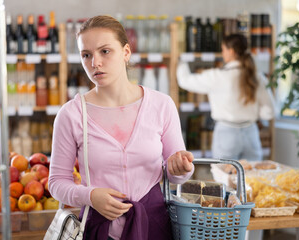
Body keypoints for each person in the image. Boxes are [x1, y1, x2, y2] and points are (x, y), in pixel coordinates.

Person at [48, 15, 194, 240]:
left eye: (105, 51)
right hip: (99, 229)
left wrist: (182, 169)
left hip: (153, 225)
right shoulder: (72, 114)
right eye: (86, 55)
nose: (95, 63)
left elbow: (177, 174)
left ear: (126, 52)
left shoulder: (161, 105)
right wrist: (90, 196)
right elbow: (56, 183)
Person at [177, 33, 275, 161]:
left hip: (226, 133)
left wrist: (181, 61)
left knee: (224, 176)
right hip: (250, 132)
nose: (222, 54)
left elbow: (185, 81)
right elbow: (270, 112)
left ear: (231, 51)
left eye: (223, 50)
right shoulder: (257, 77)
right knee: (253, 177)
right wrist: (255, 114)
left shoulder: (217, 76)